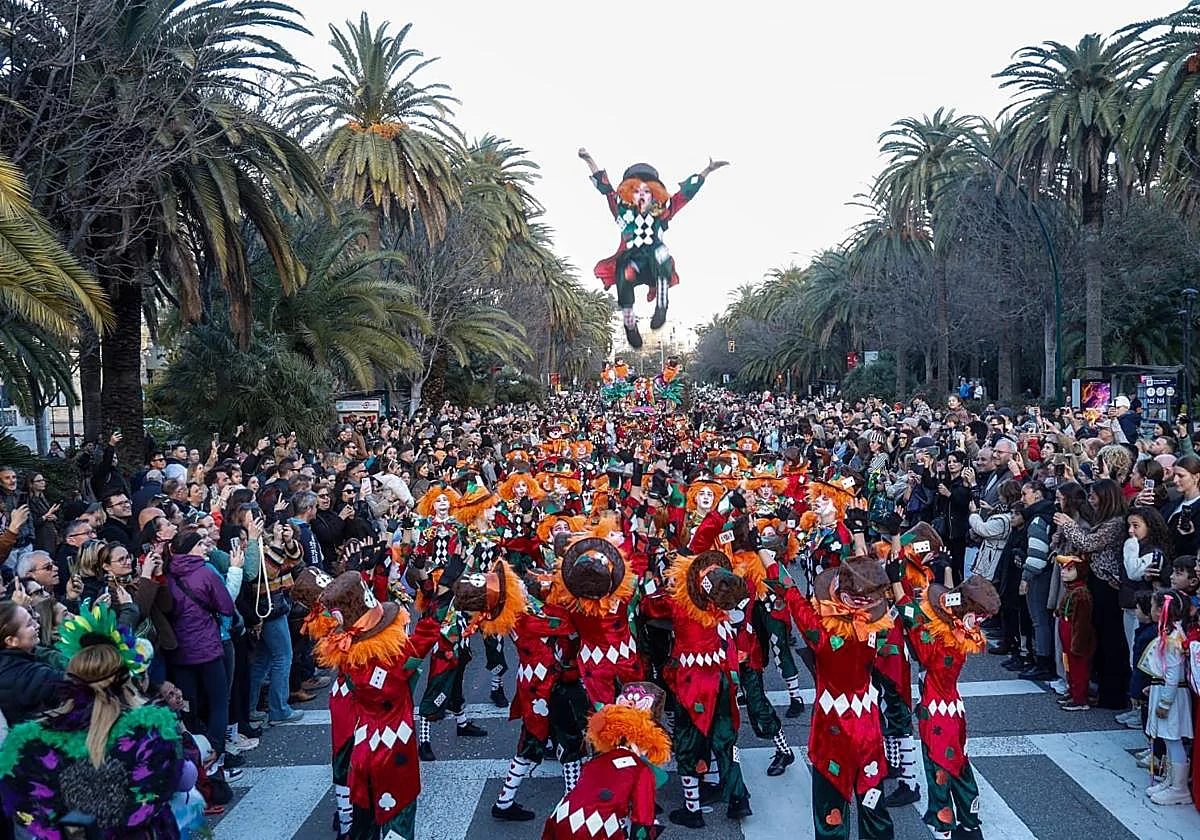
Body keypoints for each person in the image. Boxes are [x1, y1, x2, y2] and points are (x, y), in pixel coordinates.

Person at [0, 602, 188, 839]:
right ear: (124, 679)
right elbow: (161, 791)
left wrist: (61, 832)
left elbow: (22, 808)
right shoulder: (149, 732)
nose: (35, 624)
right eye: (28, 622)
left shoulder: (27, 744)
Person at [578, 148, 728, 348]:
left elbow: (685, 194)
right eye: (636, 189)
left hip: (654, 260)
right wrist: (589, 159)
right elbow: (604, 186)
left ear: (654, 192)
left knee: (661, 254)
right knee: (624, 269)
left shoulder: (663, 211)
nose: (641, 193)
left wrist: (706, 171)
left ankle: (662, 305)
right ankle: (629, 322)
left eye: (647, 189)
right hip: (632, 260)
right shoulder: (620, 207)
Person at [1055, 479, 1131, 710]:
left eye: (1095, 496)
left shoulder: (1116, 523)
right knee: (1097, 636)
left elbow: (1088, 543)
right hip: (1097, 581)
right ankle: (1097, 689)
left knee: (1110, 639)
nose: (1091, 500)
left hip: (1108, 584)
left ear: (1106, 497)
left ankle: (1114, 695)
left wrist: (1069, 525)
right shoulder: (1105, 520)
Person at [165, 528, 236, 766]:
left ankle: (195, 754)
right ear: (191, 549)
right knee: (218, 702)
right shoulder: (205, 573)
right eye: (200, 545)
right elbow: (226, 606)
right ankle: (217, 753)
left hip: (179, 651)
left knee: (188, 705)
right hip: (207, 647)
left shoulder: (166, 573)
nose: (205, 548)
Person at [1142, 589, 1194, 806]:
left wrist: (1164, 702)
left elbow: (1172, 675)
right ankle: (1170, 781)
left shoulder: (1173, 639)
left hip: (1172, 696)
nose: (1151, 610)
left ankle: (1179, 788)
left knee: (1173, 740)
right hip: (1163, 690)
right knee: (1166, 737)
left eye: (1154, 606)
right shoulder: (1168, 635)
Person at [0, 600, 63, 725]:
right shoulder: (28, 676)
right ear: (11, 640)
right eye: (29, 624)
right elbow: (73, 685)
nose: (37, 624)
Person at [1054, 555, 1096, 711]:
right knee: (1069, 665)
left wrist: (1078, 643)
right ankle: (1072, 691)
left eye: (1069, 569)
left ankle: (1080, 698)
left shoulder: (1081, 594)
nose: (1064, 572)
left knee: (1079, 668)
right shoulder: (1071, 589)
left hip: (1075, 637)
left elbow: (1082, 622)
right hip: (1066, 634)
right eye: (1063, 569)